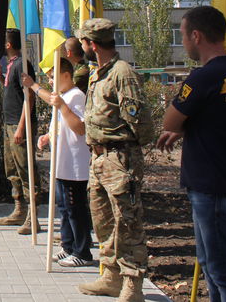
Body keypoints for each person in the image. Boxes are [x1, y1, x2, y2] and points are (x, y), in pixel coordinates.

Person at [156, 6, 226, 302]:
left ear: (196, 35)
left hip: (212, 187)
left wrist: (179, 123)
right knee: (212, 267)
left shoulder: (203, 77)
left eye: (182, 36)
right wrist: (186, 128)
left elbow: (169, 120)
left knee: (222, 271)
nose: (183, 42)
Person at [76, 18, 150, 302]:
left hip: (120, 159)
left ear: (92, 44)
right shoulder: (98, 73)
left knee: (128, 223)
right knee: (103, 221)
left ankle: (132, 284)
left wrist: (126, 152)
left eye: (84, 41)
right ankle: (110, 276)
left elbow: (141, 124)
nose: (83, 46)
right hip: (98, 159)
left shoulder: (122, 74)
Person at [23, 58, 93, 267]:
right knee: (64, 206)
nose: (51, 82)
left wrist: (58, 104)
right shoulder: (64, 97)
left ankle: (83, 251)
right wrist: (47, 136)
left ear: (66, 75)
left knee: (75, 208)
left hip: (74, 165)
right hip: (62, 163)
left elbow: (80, 127)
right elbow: (60, 124)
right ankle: (68, 246)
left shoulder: (76, 96)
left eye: (53, 77)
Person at [0, 28, 41, 235]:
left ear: (7, 45)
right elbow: (12, 91)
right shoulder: (11, 65)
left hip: (19, 125)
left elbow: (29, 97)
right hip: (9, 124)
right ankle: (19, 209)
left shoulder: (23, 65)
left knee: (26, 170)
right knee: (12, 169)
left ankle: (33, 216)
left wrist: (22, 127)